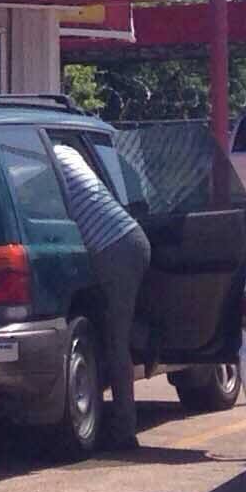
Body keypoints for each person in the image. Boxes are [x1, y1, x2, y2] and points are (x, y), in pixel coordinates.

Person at [47, 137, 151, 450]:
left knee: (116, 342)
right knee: (117, 326)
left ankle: (125, 431)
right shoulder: (68, 152)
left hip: (114, 248)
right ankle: (148, 339)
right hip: (131, 237)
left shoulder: (41, 165)